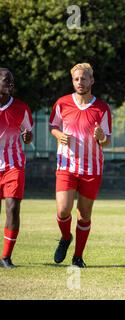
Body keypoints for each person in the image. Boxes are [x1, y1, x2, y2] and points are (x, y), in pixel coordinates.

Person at [49, 63, 112, 268]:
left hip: (91, 169)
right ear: (72, 81)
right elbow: (53, 126)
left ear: (91, 80)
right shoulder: (62, 103)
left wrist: (101, 137)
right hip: (66, 165)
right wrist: (59, 135)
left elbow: (107, 141)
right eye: (76, 79)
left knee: (84, 215)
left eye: (84, 79)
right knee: (63, 210)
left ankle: (78, 257)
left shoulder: (101, 108)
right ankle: (66, 237)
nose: (80, 82)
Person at [0, 68, 33, 268]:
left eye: (11, 81)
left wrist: (27, 137)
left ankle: (5, 257)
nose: (10, 84)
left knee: (13, 208)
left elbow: (28, 135)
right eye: (6, 80)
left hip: (14, 166)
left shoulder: (21, 107)